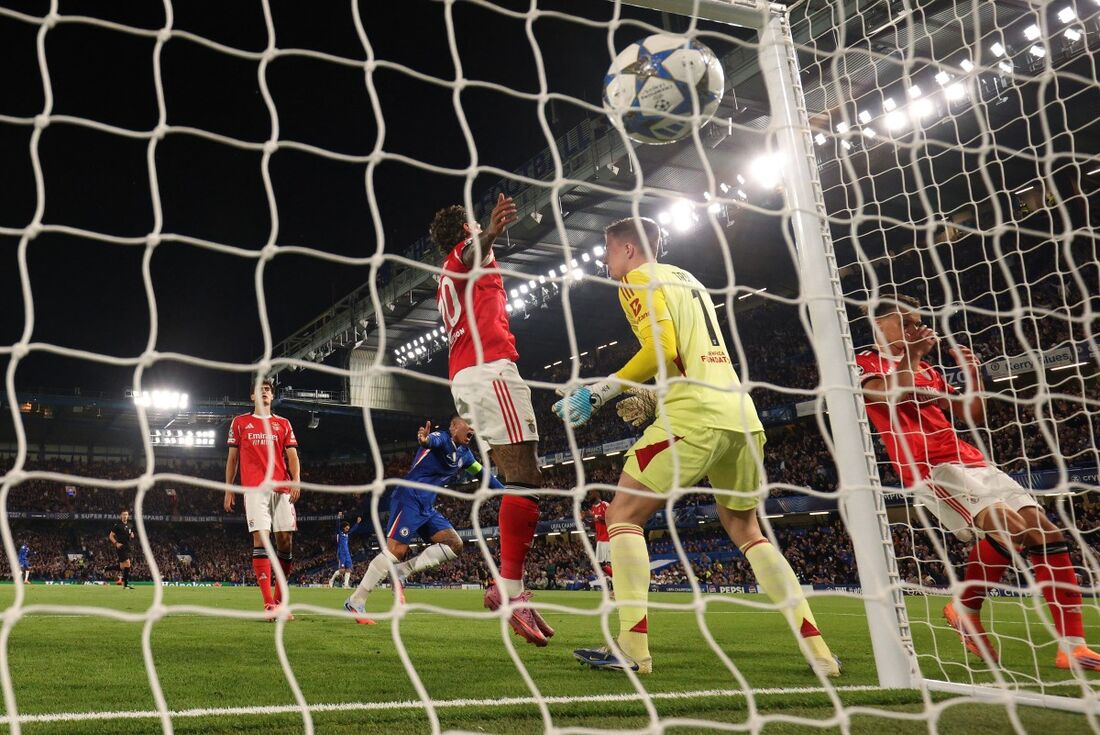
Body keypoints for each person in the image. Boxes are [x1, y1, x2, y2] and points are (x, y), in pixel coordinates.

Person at [560, 216, 839, 676]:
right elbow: (694, 355)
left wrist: (600, 391)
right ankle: (820, 653)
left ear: (628, 249)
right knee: (746, 529)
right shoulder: (688, 280)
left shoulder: (635, 279)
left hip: (696, 415)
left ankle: (632, 649)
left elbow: (662, 348)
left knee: (622, 516)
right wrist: (656, 394)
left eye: (608, 251)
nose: (606, 262)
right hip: (741, 416)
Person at [857, 293, 1100, 670]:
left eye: (918, 322)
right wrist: (914, 355)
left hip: (970, 459)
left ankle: (1072, 647)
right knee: (1011, 529)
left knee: (1046, 532)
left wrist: (972, 375)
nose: (915, 328)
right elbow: (894, 395)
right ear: (879, 325)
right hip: (930, 468)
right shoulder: (863, 363)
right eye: (905, 323)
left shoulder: (929, 371)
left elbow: (971, 413)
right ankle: (966, 609)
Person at [430, 194, 552, 645]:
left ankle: (509, 587)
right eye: (475, 223)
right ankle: (510, 591)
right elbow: (470, 252)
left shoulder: (452, 273)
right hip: (488, 370)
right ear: (467, 229)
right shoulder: (463, 256)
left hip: (471, 373)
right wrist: (493, 232)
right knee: (525, 478)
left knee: (520, 478)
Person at [344, 416, 517, 629]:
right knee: (395, 551)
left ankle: (402, 571)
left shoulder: (465, 455)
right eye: (468, 425)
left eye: (474, 427)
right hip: (409, 498)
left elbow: (483, 474)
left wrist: (506, 492)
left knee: (454, 544)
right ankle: (356, 601)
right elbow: (429, 441)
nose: (472, 430)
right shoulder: (442, 438)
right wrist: (424, 440)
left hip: (427, 506)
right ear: (454, 427)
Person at [224, 379, 301, 620]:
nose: (265, 392)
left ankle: (279, 602)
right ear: (252, 396)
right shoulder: (240, 423)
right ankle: (268, 604)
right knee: (261, 540)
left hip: (281, 488)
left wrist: (296, 480)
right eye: (260, 390)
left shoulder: (283, 423)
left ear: (272, 396)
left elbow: (293, 456)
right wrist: (229, 489)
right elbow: (232, 459)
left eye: (268, 390)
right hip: (255, 489)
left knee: (285, 543)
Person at [582, 493, 612, 578]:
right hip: (600, 539)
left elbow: (609, 518)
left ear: (597, 496)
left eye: (591, 495)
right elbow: (593, 525)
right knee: (600, 564)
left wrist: (594, 515)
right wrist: (584, 519)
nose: (589, 497)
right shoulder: (593, 508)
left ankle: (617, 581)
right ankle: (615, 578)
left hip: (608, 538)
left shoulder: (605, 504)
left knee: (610, 562)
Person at [109, 510, 135, 589]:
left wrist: (132, 535)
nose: (125, 516)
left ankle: (107, 568)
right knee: (128, 564)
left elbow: (130, 534)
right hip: (120, 547)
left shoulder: (130, 525)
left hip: (127, 547)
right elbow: (110, 536)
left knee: (122, 567)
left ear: (128, 516)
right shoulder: (117, 525)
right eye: (123, 515)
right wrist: (116, 543)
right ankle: (126, 585)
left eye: (126, 515)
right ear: (121, 516)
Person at [329, 512, 354, 589]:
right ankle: (331, 580)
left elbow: (353, 529)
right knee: (342, 571)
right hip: (341, 553)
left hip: (347, 554)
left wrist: (357, 523)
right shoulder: (339, 533)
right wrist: (338, 517)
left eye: (348, 528)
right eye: (347, 527)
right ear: (343, 528)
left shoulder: (347, 534)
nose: (348, 528)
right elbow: (337, 525)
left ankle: (345, 585)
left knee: (349, 570)